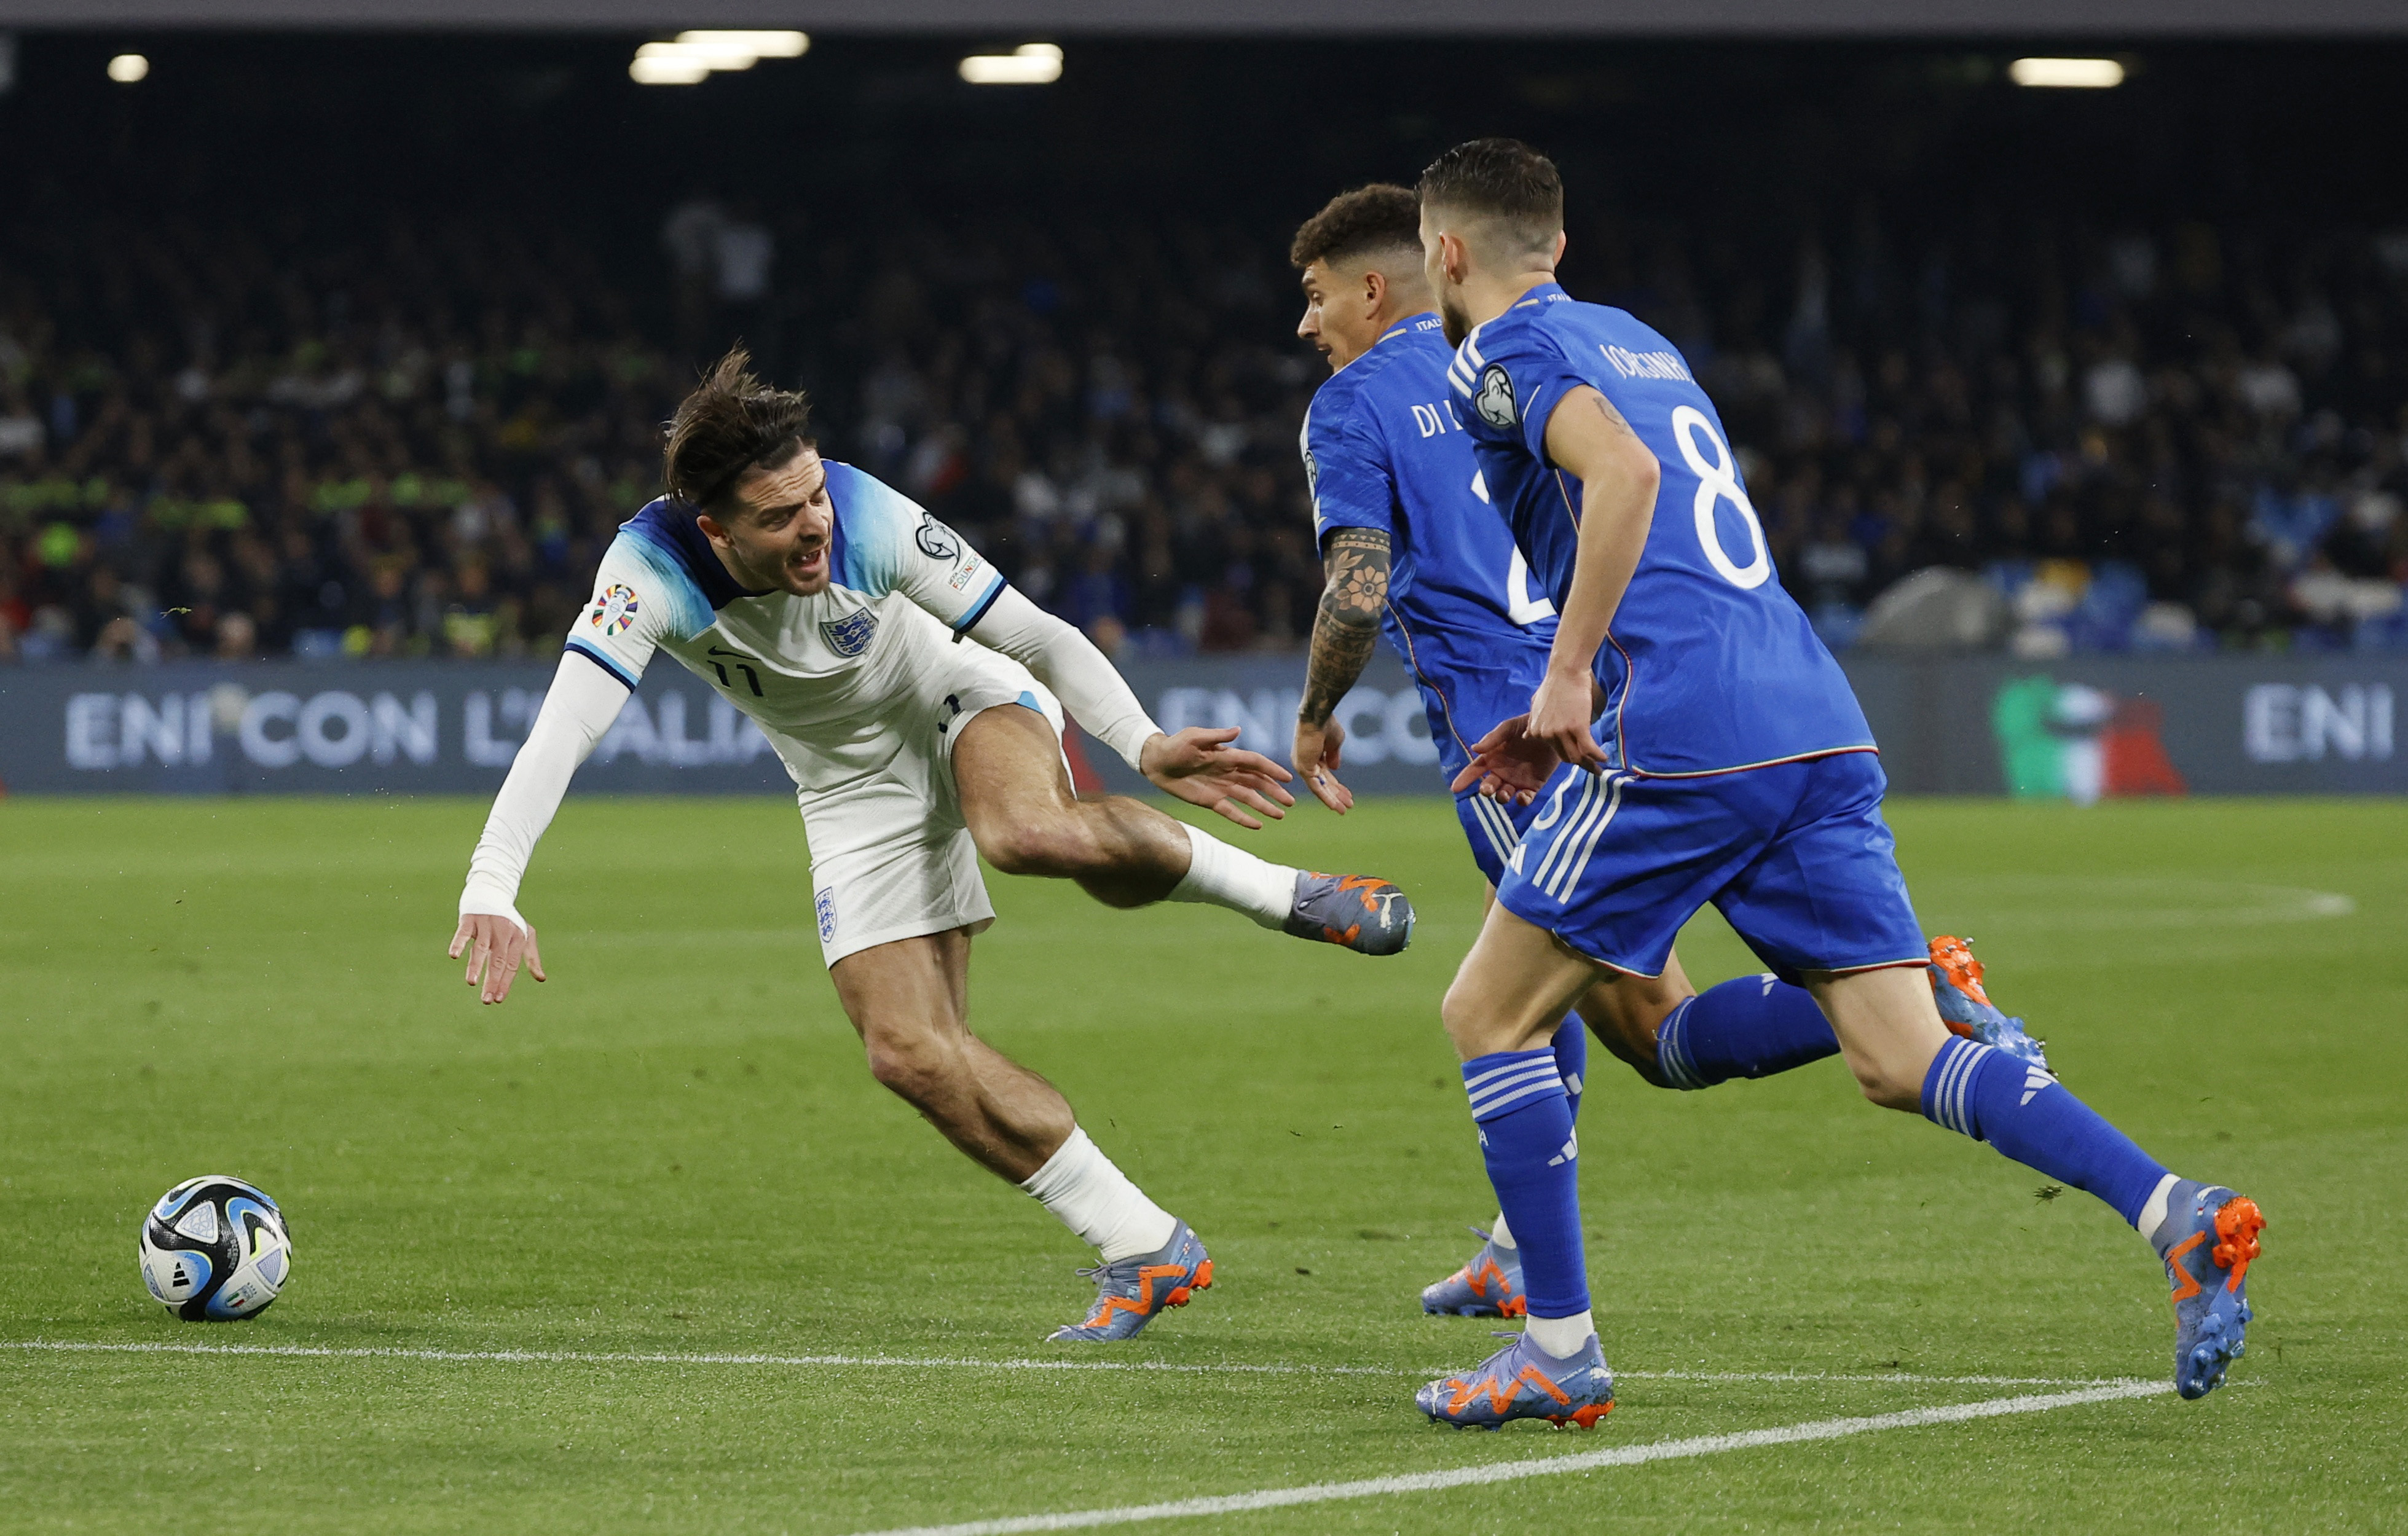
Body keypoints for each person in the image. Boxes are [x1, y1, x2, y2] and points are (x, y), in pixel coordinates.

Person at [1410, 139, 2263, 1428]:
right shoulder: (1641, 339)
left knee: (1490, 1012)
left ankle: (1558, 1346)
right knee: (1895, 1053)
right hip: (1810, 709)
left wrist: (1569, 672)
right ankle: (2174, 1209)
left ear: (1449, 255)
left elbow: (1626, 480)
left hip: (1681, 723)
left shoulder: (1493, 353)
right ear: (1562, 248)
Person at [447, 348, 1414, 1342]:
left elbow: (1036, 636)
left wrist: (1143, 742)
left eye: (814, 497)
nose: (812, 524)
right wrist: (494, 882)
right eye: (779, 518)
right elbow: (565, 728)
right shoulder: (646, 572)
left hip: (956, 694)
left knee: (1027, 835)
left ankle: (1293, 895)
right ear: (715, 530)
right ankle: (1140, 1242)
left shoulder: (868, 515)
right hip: (845, 786)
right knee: (908, 1053)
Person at [1284, 185, 2048, 1322]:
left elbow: (1358, 580)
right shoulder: (1513, 358)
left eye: (1313, 296)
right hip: (1635, 692)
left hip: (1522, 732)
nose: (1307, 324)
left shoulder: (1352, 404)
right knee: (1545, 993)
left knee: (1629, 1027)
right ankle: (1512, 1251)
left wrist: (1314, 709)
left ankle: (1554, 1311)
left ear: (1374, 284)